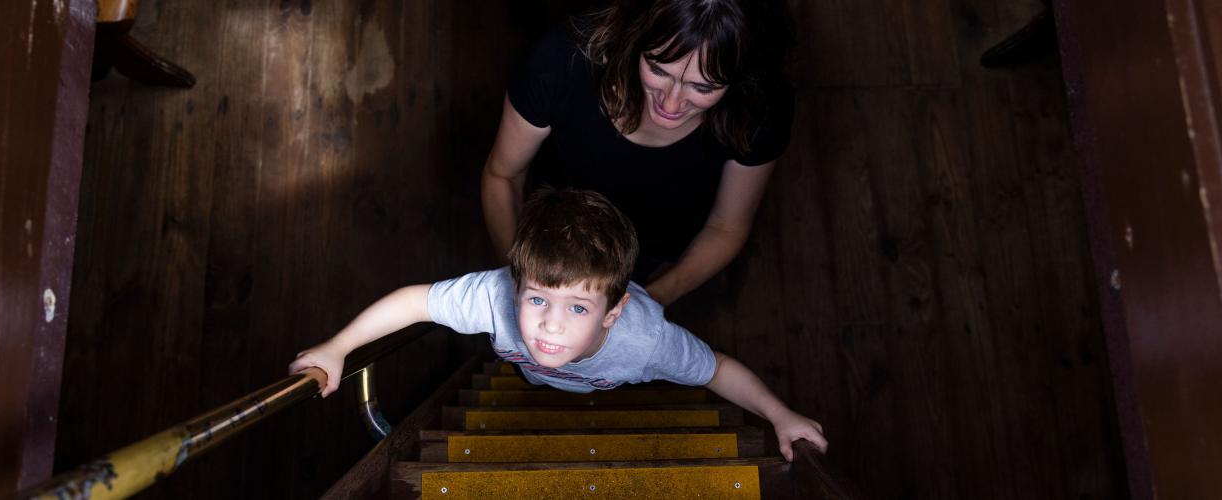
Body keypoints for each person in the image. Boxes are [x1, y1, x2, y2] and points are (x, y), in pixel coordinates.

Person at [289, 189, 826, 460]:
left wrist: (779, 415)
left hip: (625, 345)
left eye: (577, 308)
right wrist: (340, 346)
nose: (548, 324)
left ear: (611, 315)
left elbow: (717, 370)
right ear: (519, 285)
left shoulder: (646, 341)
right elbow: (416, 302)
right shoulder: (497, 295)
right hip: (537, 377)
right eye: (537, 298)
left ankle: (649, 275)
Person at [482, 0, 793, 306]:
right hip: (554, 232)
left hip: (666, 254)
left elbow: (726, 226)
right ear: (634, 36)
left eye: (703, 88)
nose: (670, 105)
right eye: (658, 69)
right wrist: (519, 283)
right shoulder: (561, 60)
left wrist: (650, 302)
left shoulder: (759, 105)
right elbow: (503, 176)